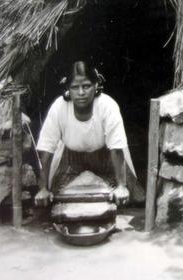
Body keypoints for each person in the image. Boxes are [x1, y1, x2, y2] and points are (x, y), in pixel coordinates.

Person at [33, 61, 134, 208]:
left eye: (86, 86)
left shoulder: (108, 106)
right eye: (75, 87)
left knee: (119, 200)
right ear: (68, 89)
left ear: (96, 86)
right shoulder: (59, 107)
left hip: (107, 160)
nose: (81, 92)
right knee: (60, 200)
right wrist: (43, 188)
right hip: (70, 161)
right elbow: (47, 148)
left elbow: (116, 147)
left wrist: (121, 186)